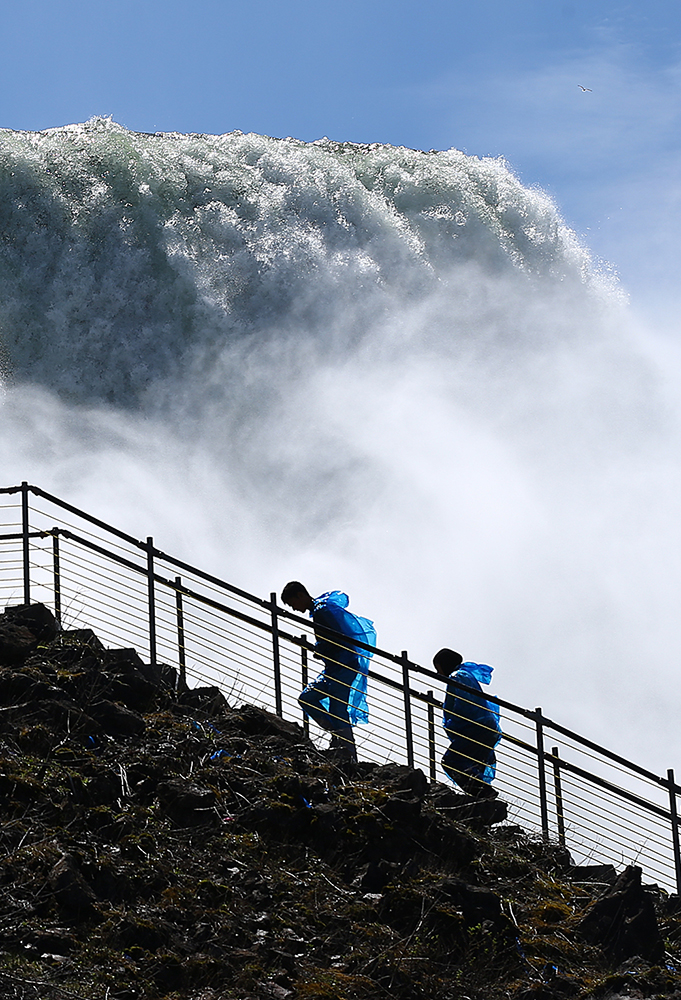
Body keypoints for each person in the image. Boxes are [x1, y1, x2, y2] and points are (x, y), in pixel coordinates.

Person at [281, 582, 376, 762]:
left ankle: (347, 754)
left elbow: (335, 639)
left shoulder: (321, 611)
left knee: (337, 710)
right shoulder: (321, 609)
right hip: (337, 667)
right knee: (314, 701)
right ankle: (340, 743)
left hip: (343, 666)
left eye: (292, 603)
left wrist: (319, 649)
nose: (294, 608)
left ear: (300, 595)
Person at [433, 647, 502, 798]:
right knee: (473, 767)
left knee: (451, 762)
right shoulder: (465, 675)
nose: (438, 674)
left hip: (475, 728)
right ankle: (482, 801)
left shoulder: (458, 677)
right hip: (486, 728)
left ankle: (485, 795)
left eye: (438, 669)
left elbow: (464, 704)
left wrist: (453, 722)